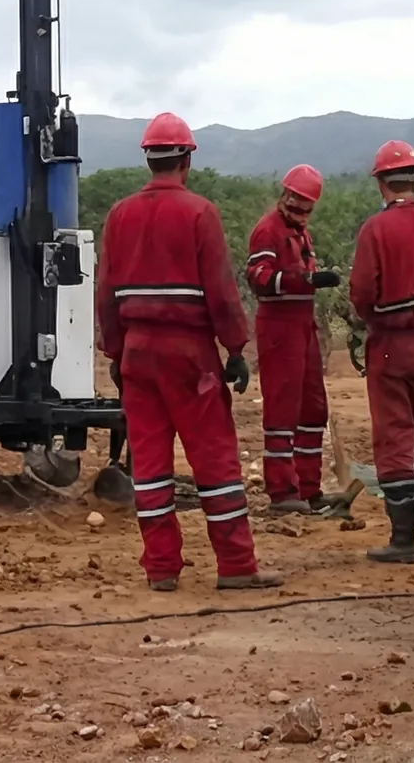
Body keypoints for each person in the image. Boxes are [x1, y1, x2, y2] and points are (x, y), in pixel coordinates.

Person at [96, 112, 285, 591]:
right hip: (190, 355)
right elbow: (220, 289)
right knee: (215, 458)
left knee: (150, 463)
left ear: (149, 158)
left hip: (138, 353)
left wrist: (117, 353)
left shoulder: (119, 215)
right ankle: (236, 566)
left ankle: (161, 569)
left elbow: (106, 290)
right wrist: (236, 348)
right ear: (186, 159)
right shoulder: (201, 213)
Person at [348, 139, 414, 563]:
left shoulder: (375, 230)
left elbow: (362, 292)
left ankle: (403, 540)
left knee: (395, 434)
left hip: (392, 343)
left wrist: (369, 318)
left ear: (382, 184)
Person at [245, 164, 343, 514]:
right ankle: (282, 491)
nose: (300, 209)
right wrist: (305, 280)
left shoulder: (300, 232)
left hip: (303, 327)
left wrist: (311, 279)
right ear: (284, 194)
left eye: (306, 205)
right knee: (283, 409)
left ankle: (308, 487)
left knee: (312, 409)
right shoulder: (268, 230)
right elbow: (258, 277)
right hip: (279, 326)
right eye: (295, 200)